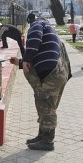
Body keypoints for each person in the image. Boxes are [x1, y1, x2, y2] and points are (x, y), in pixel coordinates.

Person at [9, 17, 71, 151]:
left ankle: (47, 142)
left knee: (46, 106)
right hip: (58, 73)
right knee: (44, 105)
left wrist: (26, 58)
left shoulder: (38, 24)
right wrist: (21, 62)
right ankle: (42, 136)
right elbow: (41, 58)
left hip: (51, 75)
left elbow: (35, 37)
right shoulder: (50, 32)